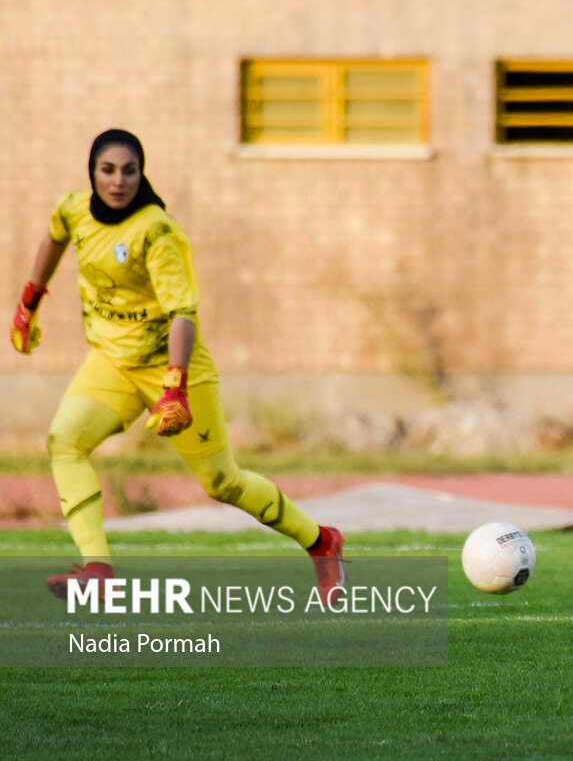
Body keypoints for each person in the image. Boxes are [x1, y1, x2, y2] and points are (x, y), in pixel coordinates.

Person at [10, 129, 347, 603]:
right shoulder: (74, 210)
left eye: (129, 170)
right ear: (92, 172)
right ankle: (99, 570)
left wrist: (175, 387)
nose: (118, 180)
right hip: (111, 363)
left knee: (222, 482)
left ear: (141, 174)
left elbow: (183, 314)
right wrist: (29, 303)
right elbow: (54, 237)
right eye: (108, 170)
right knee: (64, 441)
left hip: (172, 367)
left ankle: (321, 540)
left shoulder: (157, 231)